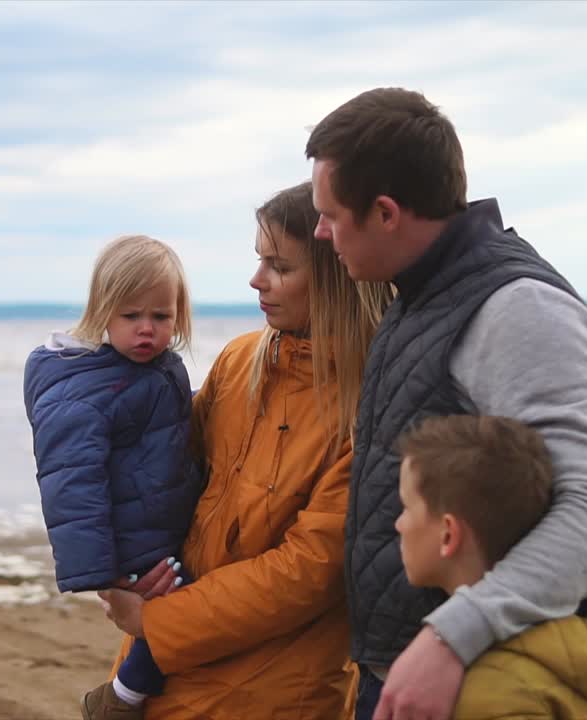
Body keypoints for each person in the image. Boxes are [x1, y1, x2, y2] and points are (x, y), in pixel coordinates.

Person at [305, 87, 587, 720]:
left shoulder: (519, 310)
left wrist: (449, 639)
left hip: (472, 681)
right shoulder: (420, 293)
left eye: (329, 214)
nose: (320, 233)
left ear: (385, 213)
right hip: (419, 669)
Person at [95, 181, 395, 718]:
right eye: (260, 260)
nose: (257, 280)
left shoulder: (370, 404)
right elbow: (161, 475)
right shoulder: (239, 360)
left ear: (334, 274)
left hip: (269, 695)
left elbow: (309, 573)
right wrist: (119, 564)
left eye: (279, 266)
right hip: (161, 672)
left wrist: (157, 622)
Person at [22, 234, 202, 719]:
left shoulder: (154, 368)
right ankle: (121, 697)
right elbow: (70, 483)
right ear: (103, 311)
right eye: (131, 316)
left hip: (157, 524)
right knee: (184, 615)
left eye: (161, 317)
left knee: (185, 610)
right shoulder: (82, 389)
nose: (147, 329)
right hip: (130, 544)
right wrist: (105, 576)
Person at [394, 414, 587, 719]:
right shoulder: (579, 652)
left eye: (406, 507)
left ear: (448, 534)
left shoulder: (486, 697)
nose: (399, 524)